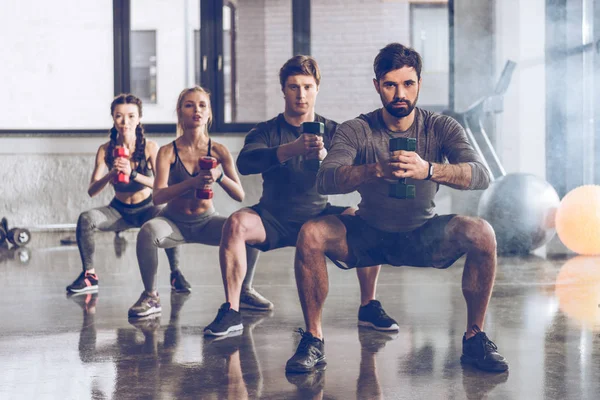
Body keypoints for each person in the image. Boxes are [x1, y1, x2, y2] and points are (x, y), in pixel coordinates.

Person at [285, 43, 509, 373]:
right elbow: (326, 180)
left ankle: (474, 337)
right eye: (390, 84)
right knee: (311, 234)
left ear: (419, 83)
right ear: (377, 85)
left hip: (422, 233)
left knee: (482, 233)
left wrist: (429, 169)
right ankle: (314, 339)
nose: (400, 93)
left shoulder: (440, 127)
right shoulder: (356, 129)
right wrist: (373, 169)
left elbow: (481, 175)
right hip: (369, 231)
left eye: (408, 84)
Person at [203, 55, 398, 337]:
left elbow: (355, 175)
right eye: (294, 87)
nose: (301, 94)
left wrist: (327, 159)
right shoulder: (267, 130)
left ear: (317, 88)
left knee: (368, 218)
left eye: (307, 86)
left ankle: (368, 305)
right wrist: (291, 149)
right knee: (235, 224)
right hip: (273, 217)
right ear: (284, 90)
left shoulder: (335, 131)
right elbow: (246, 163)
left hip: (319, 215)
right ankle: (232, 311)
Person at [128, 86, 270, 318]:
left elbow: (239, 194)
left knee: (250, 229)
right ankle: (151, 296)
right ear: (180, 112)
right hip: (173, 222)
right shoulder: (167, 151)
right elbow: (158, 196)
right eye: (189, 105)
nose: (196, 110)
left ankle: (245, 291)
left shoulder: (219, 150)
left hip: (206, 222)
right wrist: (191, 183)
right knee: (147, 231)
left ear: (209, 113)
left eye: (202, 105)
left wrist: (220, 176)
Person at [66, 94, 181, 294]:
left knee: (169, 215)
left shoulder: (150, 148)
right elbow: (92, 190)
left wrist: (133, 174)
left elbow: (162, 185)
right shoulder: (105, 150)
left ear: (139, 119)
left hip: (147, 209)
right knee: (86, 219)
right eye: (119, 116)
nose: (125, 122)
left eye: (130, 116)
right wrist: (110, 174)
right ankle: (89, 276)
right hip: (118, 211)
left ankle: (176, 274)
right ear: (113, 117)